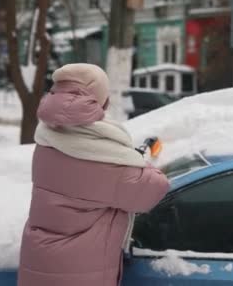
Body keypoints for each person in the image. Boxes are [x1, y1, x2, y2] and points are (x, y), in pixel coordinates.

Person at [18, 64, 169, 286]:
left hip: (41, 262)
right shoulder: (101, 157)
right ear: (102, 102)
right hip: (77, 273)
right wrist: (139, 163)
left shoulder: (48, 137)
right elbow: (153, 189)